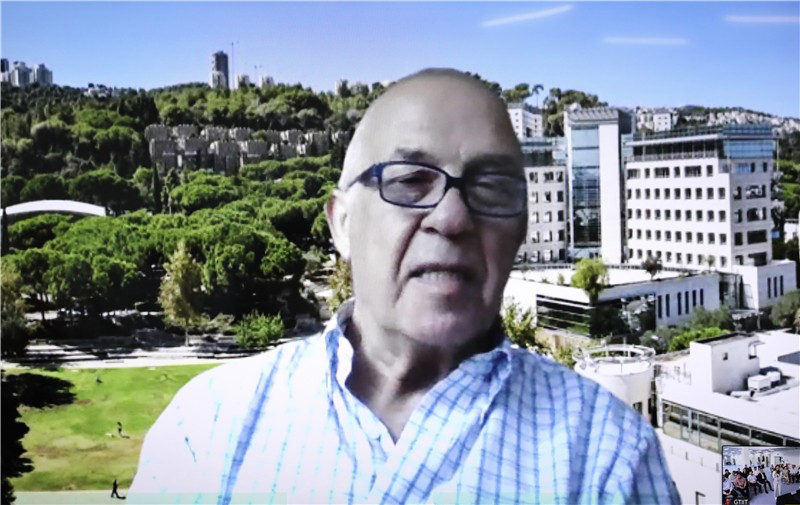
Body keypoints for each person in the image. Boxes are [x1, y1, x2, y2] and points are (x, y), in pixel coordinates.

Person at [127, 68, 680, 504]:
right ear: (342, 223)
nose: (453, 218)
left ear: (522, 230)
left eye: (490, 188)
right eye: (411, 181)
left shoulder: (609, 457)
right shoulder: (209, 427)